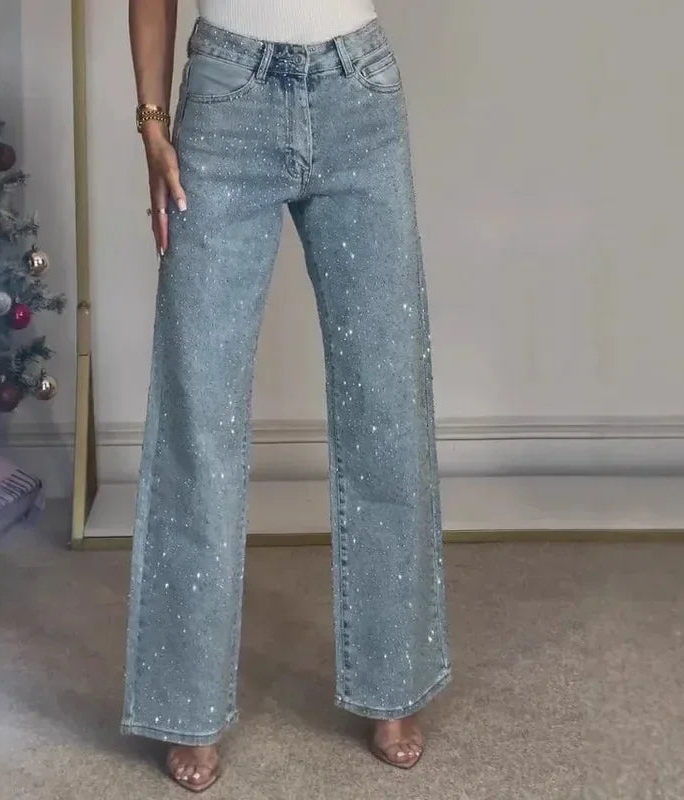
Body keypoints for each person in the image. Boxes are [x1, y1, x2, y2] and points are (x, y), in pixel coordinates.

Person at [121, 0, 452, 791]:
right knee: (199, 413)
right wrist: (152, 122)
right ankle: (186, 705)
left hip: (358, 91)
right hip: (227, 97)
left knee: (388, 404)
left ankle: (394, 680)